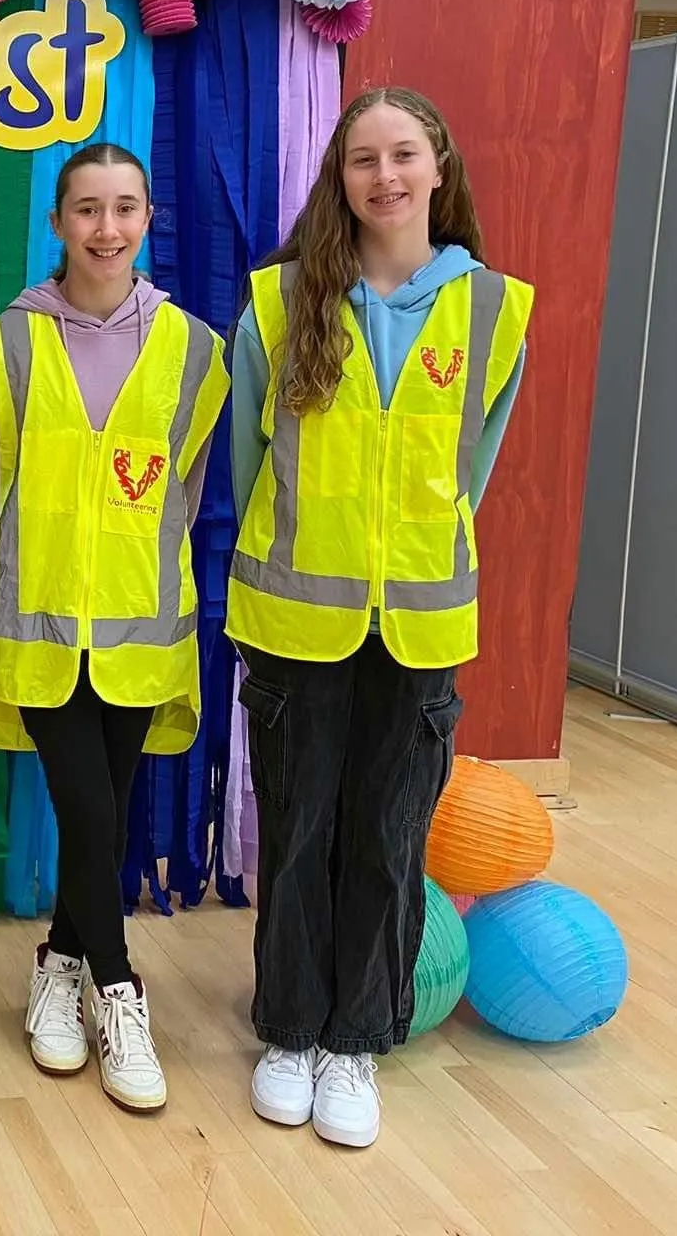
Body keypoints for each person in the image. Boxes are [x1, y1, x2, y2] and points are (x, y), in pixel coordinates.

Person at [228, 87, 532, 1149]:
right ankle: (288, 1030)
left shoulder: (494, 310)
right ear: (340, 178)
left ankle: (355, 1041)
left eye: (402, 155)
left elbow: (468, 476)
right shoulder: (276, 303)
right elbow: (243, 466)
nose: (384, 176)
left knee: (388, 837)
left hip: (418, 621)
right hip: (292, 618)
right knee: (299, 831)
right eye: (362, 159)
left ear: (437, 167)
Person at [0, 143, 226, 1111]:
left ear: (147, 218)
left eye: (122, 209)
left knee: (99, 810)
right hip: (34, 625)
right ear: (55, 222)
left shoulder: (198, 350)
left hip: (138, 627)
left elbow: (184, 495)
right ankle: (117, 987)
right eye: (83, 209)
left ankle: (57, 962)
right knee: (89, 811)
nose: (103, 229)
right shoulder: (3, 343)